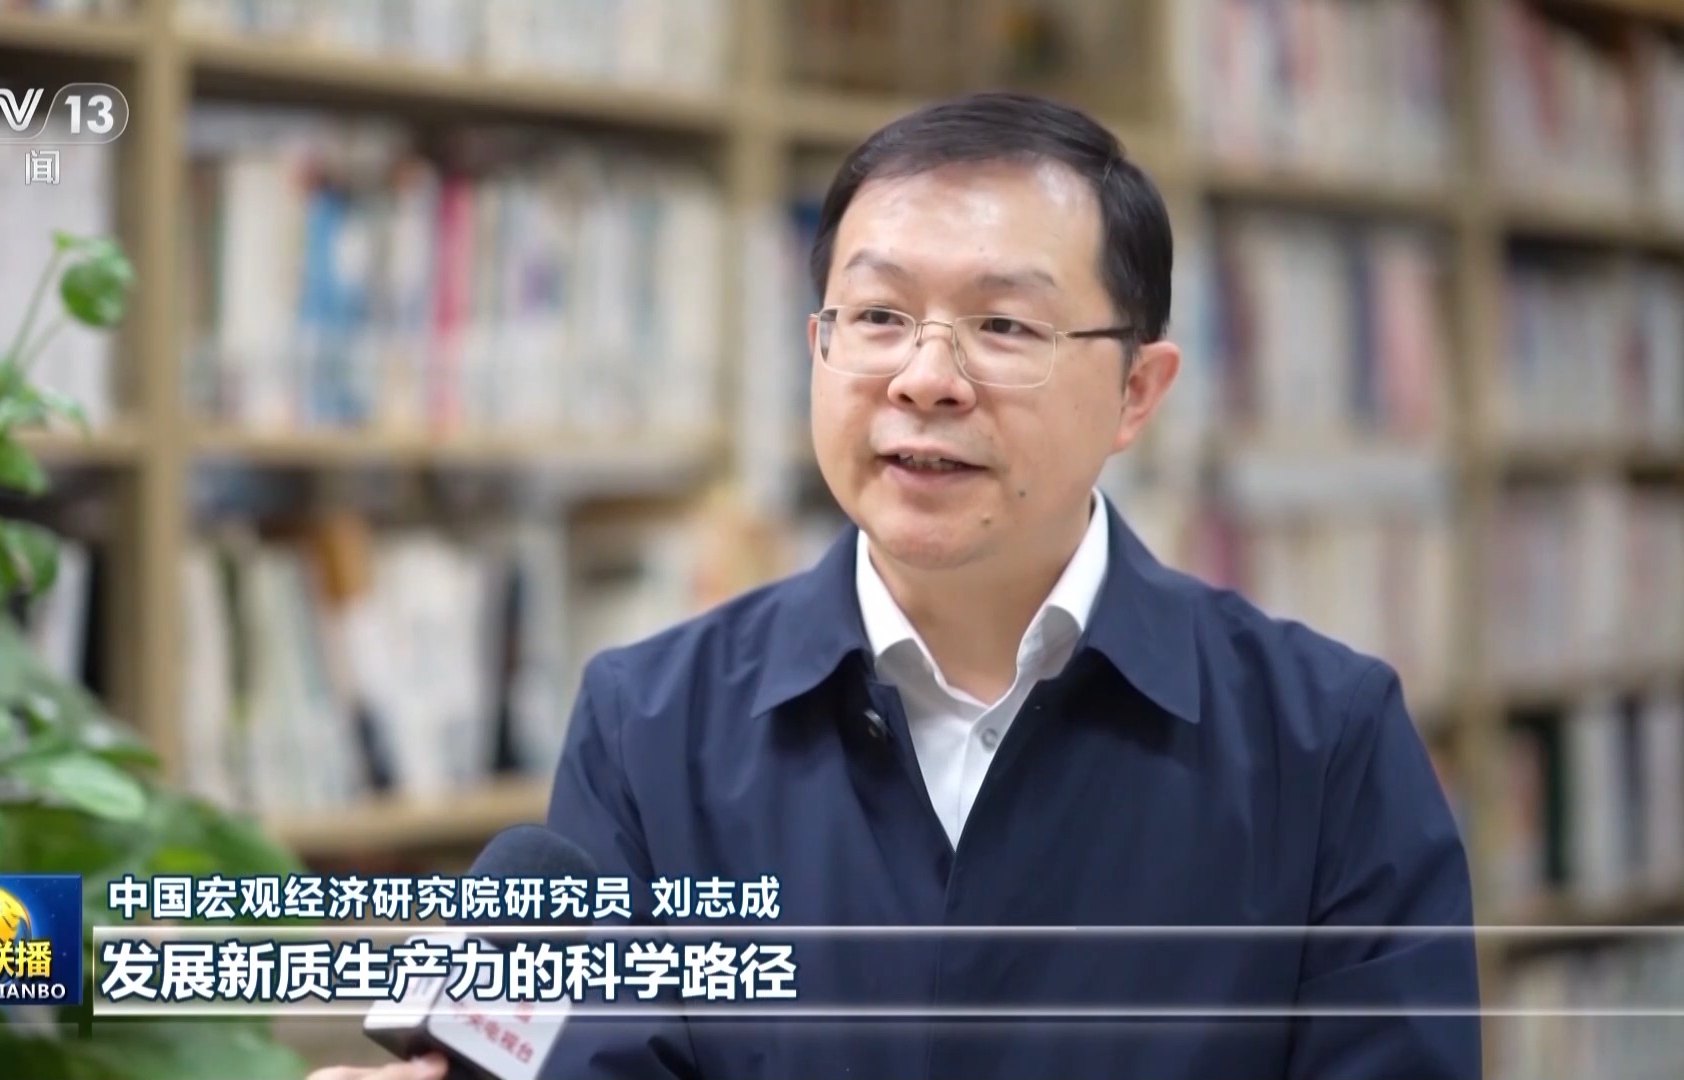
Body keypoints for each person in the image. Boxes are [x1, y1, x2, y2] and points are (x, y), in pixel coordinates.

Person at [311, 90, 1481, 1080]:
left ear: (1137, 391)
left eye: (1004, 324)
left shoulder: (1326, 743)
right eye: (877, 315)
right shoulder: (649, 726)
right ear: (818, 347)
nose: (926, 376)